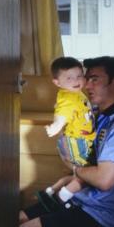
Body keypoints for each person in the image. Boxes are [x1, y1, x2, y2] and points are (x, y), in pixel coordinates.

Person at [19, 55, 114, 227]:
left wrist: (75, 170)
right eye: (87, 78)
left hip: (102, 214)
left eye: (95, 79)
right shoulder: (98, 113)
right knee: (17, 220)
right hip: (80, 197)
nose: (87, 85)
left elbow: (104, 180)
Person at [43, 55, 95, 202]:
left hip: (80, 140)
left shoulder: (75, 93)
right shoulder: (68, 97)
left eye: (79, 76)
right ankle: (64, 194)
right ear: (57, 82)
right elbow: (61, 114)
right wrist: (55, 126)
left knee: (76, 174)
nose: (76, 81)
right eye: (69, 78)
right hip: (78, 142)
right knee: (87, 174)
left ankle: (52, 189)